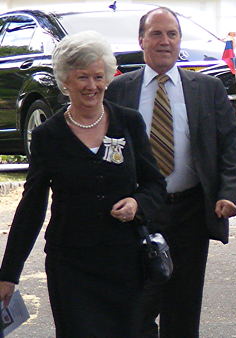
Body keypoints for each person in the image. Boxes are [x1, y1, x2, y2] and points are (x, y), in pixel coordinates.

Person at [0, 31, 166, 337]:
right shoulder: (47, 136)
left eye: (98, 77)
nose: (93, 86)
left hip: (127, 264)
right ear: (65, 82)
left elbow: (156, 185)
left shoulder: (128, 122)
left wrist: (138, 204)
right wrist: (9, 274)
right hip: (72, 268)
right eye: (82, 78)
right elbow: (32, 205)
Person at [105, 7, 236, 338]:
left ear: (180, 41)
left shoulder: (207, 89)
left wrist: (227, 194)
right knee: (135, 307)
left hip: (190, 211)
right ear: (141, 40)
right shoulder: (120, 90)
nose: (165, 41)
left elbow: (229, 148)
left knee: (182, 308)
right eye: (156, 33)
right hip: (139, 213)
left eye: (172, 34)